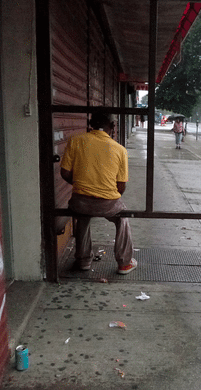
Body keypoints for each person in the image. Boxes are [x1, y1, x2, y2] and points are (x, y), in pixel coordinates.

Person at [60, 113, 137, 275]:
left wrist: (83, 185)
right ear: (112, 126)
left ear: (91, 125)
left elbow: (65, 173)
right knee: (122, 218)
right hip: (107, 203)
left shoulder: (75, 140)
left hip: (80, 202)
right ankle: (124, 263)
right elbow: (121, 186)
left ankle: (83, 260)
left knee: (82, 217)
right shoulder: (120, 150)